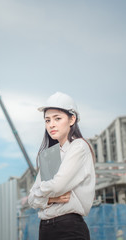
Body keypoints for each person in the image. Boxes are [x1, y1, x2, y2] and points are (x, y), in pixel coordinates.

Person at [28, 92, 96, 240]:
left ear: (72, 119)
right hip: (45, 229)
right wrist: (52, 199)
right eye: (47, 120)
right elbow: (31, 200)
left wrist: (42, 195)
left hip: (68, 228)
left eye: (57, 118)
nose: (51, 124)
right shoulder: (50, 156)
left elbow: (57, 186)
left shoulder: (79, 146)